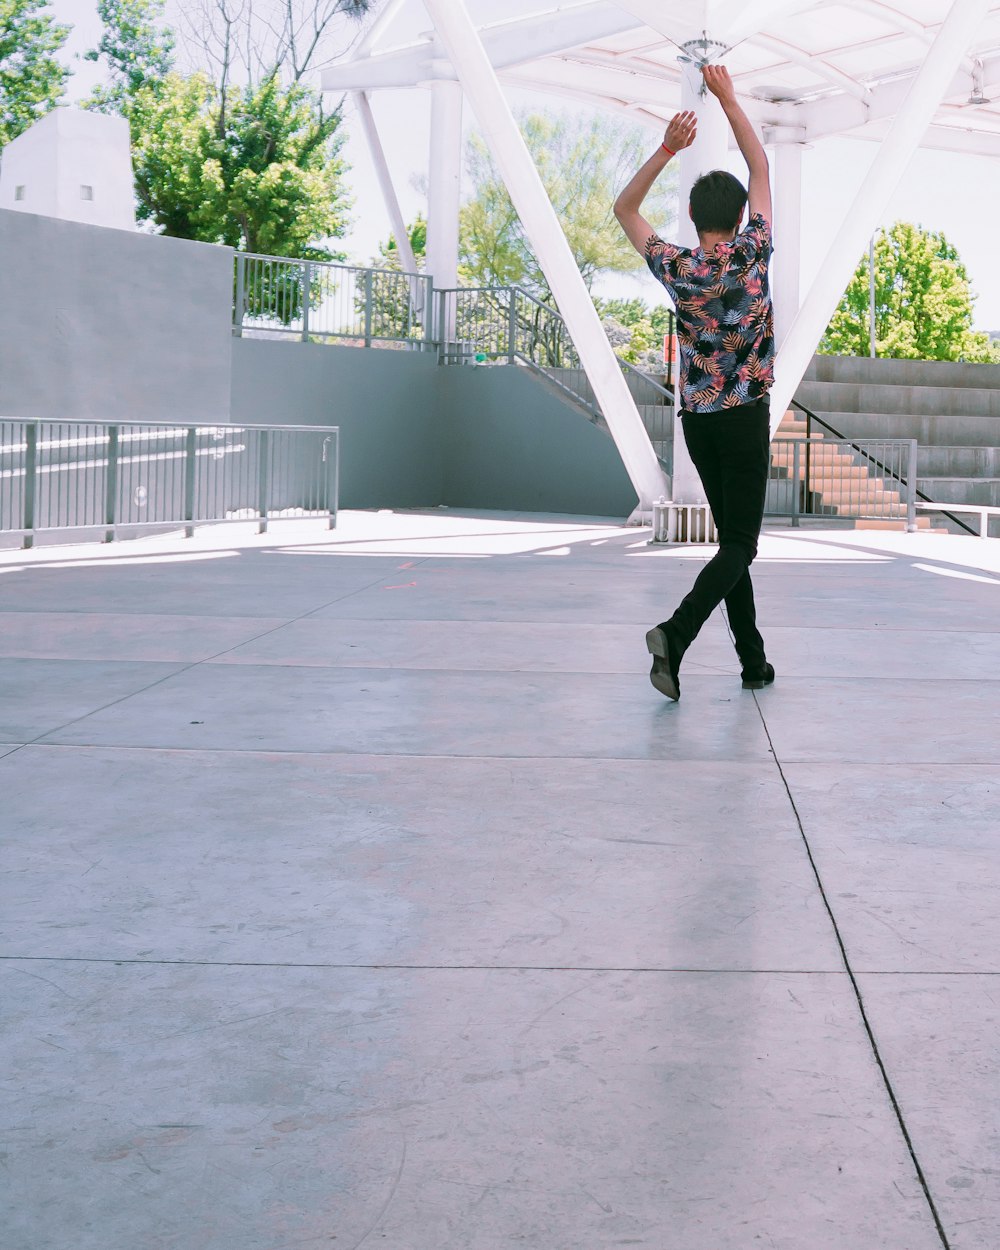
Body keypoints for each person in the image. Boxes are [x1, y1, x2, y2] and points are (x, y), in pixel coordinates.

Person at [613, 63, 777, 702]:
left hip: (699, 423)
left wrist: (666, 148)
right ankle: (675, 634)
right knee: (739, 544)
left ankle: (753, 662)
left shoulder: (676, 267)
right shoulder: (753, 252)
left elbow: (623, 208)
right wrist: (731, 100)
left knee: (733, 541)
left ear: (690, 213)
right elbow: (761, 167)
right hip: (746, 417)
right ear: (740, 215)